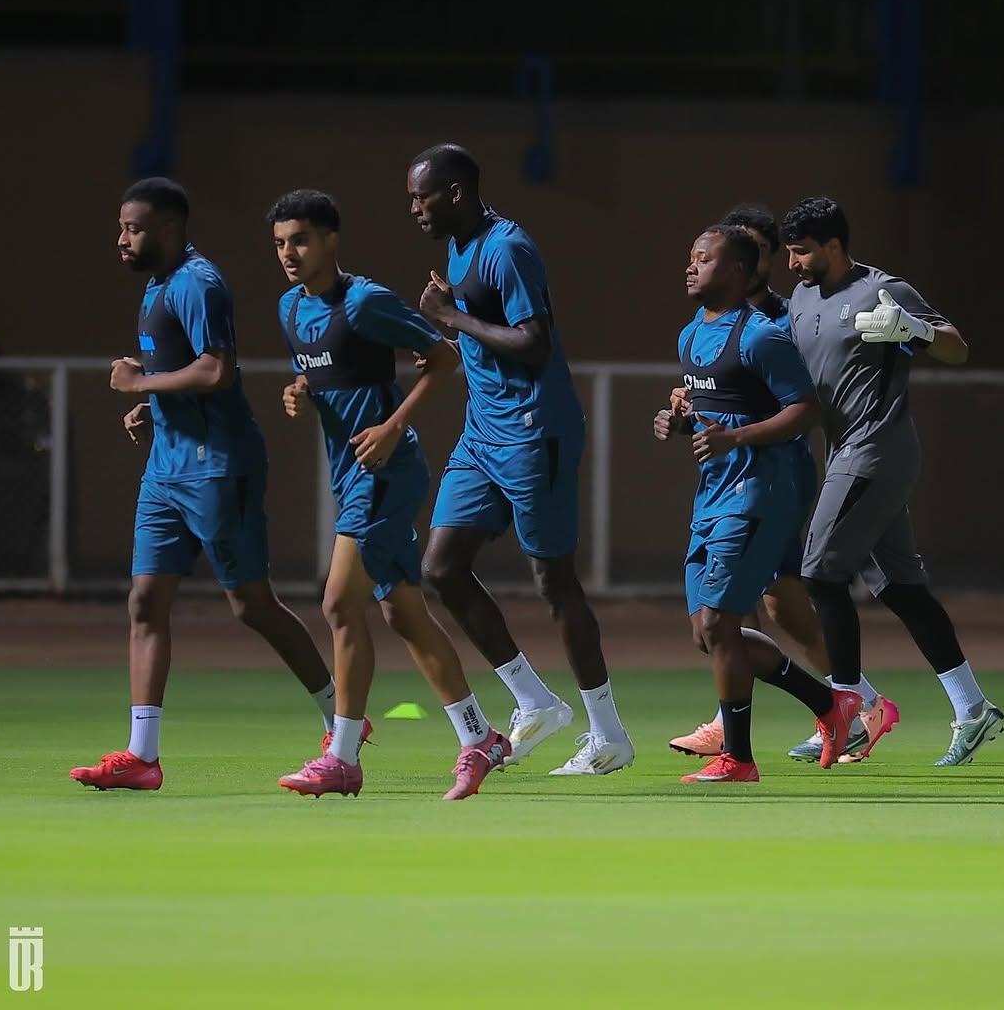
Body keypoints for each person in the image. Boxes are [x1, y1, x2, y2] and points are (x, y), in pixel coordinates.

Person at [71, 178, 336, 791]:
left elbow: (217, 368)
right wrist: (153, 406)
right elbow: (179, 370)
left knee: (252, 606)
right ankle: (143, 756)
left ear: (167, 228)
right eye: (122, 227)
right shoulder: (157, 285)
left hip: (219, 466)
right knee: (144, 601)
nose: (123, 239)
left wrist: (139, 386)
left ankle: (340, 718)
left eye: (132, 228)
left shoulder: (198, 282)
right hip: (166, 470)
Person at [269, 189, 509, 801]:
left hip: (387, 471)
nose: (289, 253)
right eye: (279, 243)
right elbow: (327, 373)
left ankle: (343, 757)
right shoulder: (291, 309)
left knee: (337, 604)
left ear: (330, 240)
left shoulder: (366, 300)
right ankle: (479, 737)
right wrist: (300, 390)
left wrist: (393, 423)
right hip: (349, 474)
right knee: (403, 613)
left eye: (299, 240)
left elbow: (440, 358)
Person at [407, 142, 634, 775]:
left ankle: (608, 733)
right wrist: (447, 329)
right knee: (442, 568)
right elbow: (483, 332)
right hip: (482, 434)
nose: (413, 210)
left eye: (420, 197)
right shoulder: (459, 247)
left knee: (554, 584)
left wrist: (450, 315)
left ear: (454, 193)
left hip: (537, 433)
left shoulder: (508, 248)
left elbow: (534, 345)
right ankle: (534, 701)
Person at [668, 205, 898, 764]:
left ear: (748, 267)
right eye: (692, 258)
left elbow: (804, 407)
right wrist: (680, 417)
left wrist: (738, 437)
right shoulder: (693, 333)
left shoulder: (769, 329)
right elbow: (711, 403)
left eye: (706, 258)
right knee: (718, 630)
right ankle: (840, 703)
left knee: (743, 618)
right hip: (717, 489)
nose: (691, 267)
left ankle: (740, 750)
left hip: (763, 488)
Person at [781, 196, 1003, 766]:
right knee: (900, 589)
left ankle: (849, 713)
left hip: (877, 450)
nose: (792, 263)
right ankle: (973, 708)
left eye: (802, 251)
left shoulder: (885, 290)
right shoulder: (802, 297)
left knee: (821, 573)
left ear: (833, 246)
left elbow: (957, 349)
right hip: (845, 453)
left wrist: (912, 330)